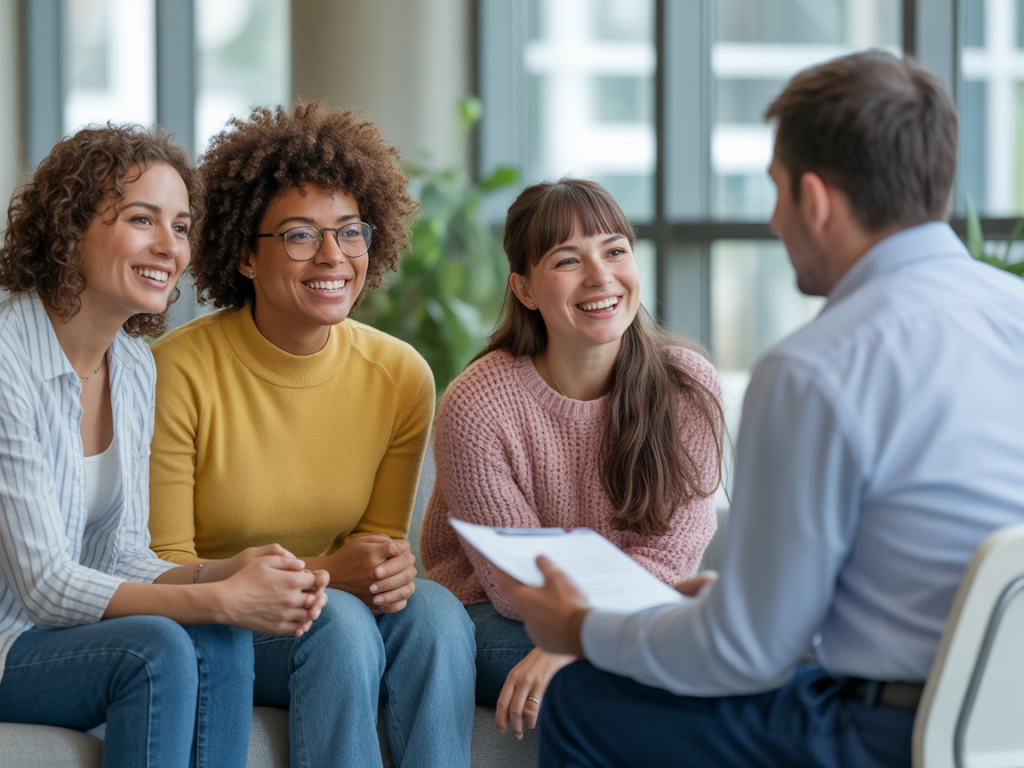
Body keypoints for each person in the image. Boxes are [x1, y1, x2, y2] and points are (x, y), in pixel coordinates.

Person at [492, 50, 1024, 768]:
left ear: (815, 198)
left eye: (775, 192)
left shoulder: (815, 368)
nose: (773, 221)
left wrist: (583, 630)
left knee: (587, 700)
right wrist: (742, 606)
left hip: (896, 735)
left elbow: (744, 656)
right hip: (1003, 724)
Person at [147, 101, 476, 768]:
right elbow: (162, 570)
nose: (333, 256)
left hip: (334, 609)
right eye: (299, 235)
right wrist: (330, 575)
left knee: (439, 616)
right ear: (244, 253)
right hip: (219, 620)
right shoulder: (175, 370)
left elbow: (376, 549)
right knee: (340, 621)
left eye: (350, 232)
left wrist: (381, 571)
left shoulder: (399, 375)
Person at [0, 125, 328, 768]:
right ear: (69, 229)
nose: (168, 246)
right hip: (13, 644)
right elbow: (43, 587)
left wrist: (223, 573)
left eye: (180, 227)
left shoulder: (133, 366)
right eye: (141, 219)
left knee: (221, 639)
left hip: (65, 637)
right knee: (156, 649)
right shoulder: (8, 363)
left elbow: (121, 554)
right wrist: (214, 596)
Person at [420, 178, 724, 739]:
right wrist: (581, 641)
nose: (600, 276)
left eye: (615, 251)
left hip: (634, 610)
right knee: (629, 686)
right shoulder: (478, 403)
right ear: (526, 289)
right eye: (567, 260)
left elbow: (674, 556)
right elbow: (517, 585)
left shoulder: (687, 389)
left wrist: (581, 641)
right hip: (497, 614)